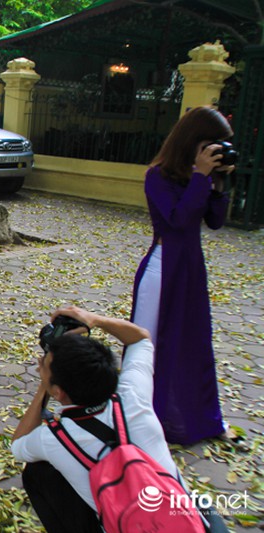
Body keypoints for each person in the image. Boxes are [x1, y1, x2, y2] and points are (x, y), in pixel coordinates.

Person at [11, 306, 190, 533]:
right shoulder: (133, 394)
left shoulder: (56, 439)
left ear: (59, 392)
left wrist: (44, 387)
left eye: (44, 365)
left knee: (37, 473)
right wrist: (95, 320)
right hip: (186, 520)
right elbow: (141, 339)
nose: (41, 362)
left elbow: (17, 446)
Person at [130, 106, 236, 446]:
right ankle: (140, 420)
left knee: (193, 346)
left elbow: (215, 221)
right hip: (164, 269)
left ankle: (201, 421)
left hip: (191, 270)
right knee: (150, 348)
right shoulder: (158, 175)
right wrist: (201, 179)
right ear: (193, 140)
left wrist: (217, 183)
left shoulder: (198, 177)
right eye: (211, 143)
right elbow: (177, 220)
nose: (214, 150)